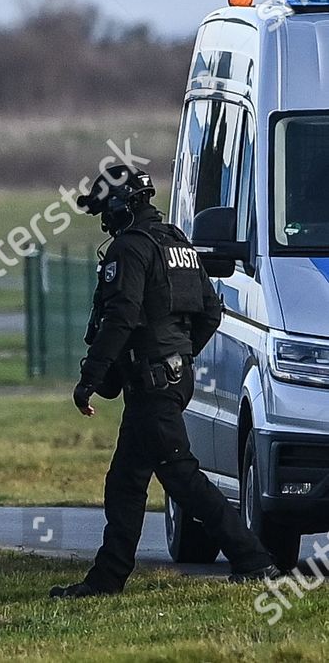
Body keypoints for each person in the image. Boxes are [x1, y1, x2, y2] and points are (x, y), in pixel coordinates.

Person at [51, 164, 280, 598]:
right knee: (126, 482)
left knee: (181, 478)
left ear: (122, 206)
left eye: (106, 210)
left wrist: (90, 378)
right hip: (170, 378)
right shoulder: (176, 243)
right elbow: (211, 312)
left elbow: (119, 319)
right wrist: (181, 352)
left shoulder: (131, 250)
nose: (104, 221)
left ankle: (254, 559)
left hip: (154, 383)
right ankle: (106, 579)